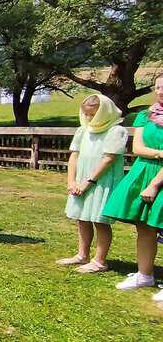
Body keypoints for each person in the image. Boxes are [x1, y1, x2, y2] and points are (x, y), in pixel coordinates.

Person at [102, 76, 163, 297]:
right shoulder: (145, 116)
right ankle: (145, 274)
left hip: (158, 176)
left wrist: (155, 184)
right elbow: (137, 148)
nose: (160, 91)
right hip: (144, 171)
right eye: (158, 87)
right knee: (144, 226)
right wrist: (159, 154)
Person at [57, 94, 128, 274]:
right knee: (82, 217)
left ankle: (100, 260)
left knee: (100, 220)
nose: (88, 118)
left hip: (102, 181)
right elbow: (74, 155)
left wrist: (88, 182)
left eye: (92, 114)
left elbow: (108, 159)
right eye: (86, 114)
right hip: (80, 181)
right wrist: (72, 181)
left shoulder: (116, 131)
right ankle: (83, 254)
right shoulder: (83, 130)